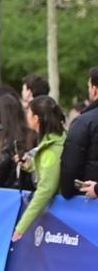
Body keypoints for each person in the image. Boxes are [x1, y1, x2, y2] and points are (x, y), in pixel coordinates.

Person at [12, 97, 66, 241]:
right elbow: (48, 170)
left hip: (61, 222)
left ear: (36, 118)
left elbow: (46, 189)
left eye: (28, 113)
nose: (26, 117)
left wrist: (21, 226)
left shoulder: (51, 150)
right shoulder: (54, 142)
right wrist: (29, 165)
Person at [60, 66, 98, 200]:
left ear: (95, 90)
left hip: (88, 203)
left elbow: (71, 166)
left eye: (89, 86)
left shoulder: (84, 122)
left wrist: (67, 191)